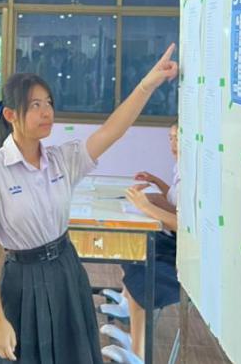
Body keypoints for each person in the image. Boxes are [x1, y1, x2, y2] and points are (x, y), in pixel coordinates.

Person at [0, 45, 178, 363]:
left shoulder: (62, 160)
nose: (46, 112)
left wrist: (147, 84)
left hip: (67, 269)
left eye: (49, 103)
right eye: (35, 105)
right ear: (10, 115)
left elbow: (112, 130)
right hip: (23, 280)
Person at [99, 124, 180, 362]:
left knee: (142, 268)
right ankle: (131, 326)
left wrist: (146, 206)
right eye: (170, 138)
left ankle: (138, 355)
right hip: (175, 244)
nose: (173, 144)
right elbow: (175, 200)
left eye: (178, 138)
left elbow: (185, 224)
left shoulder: (198, 173)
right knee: (135, 247)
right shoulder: (182, 166)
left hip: (183, 259)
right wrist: (155, 184)